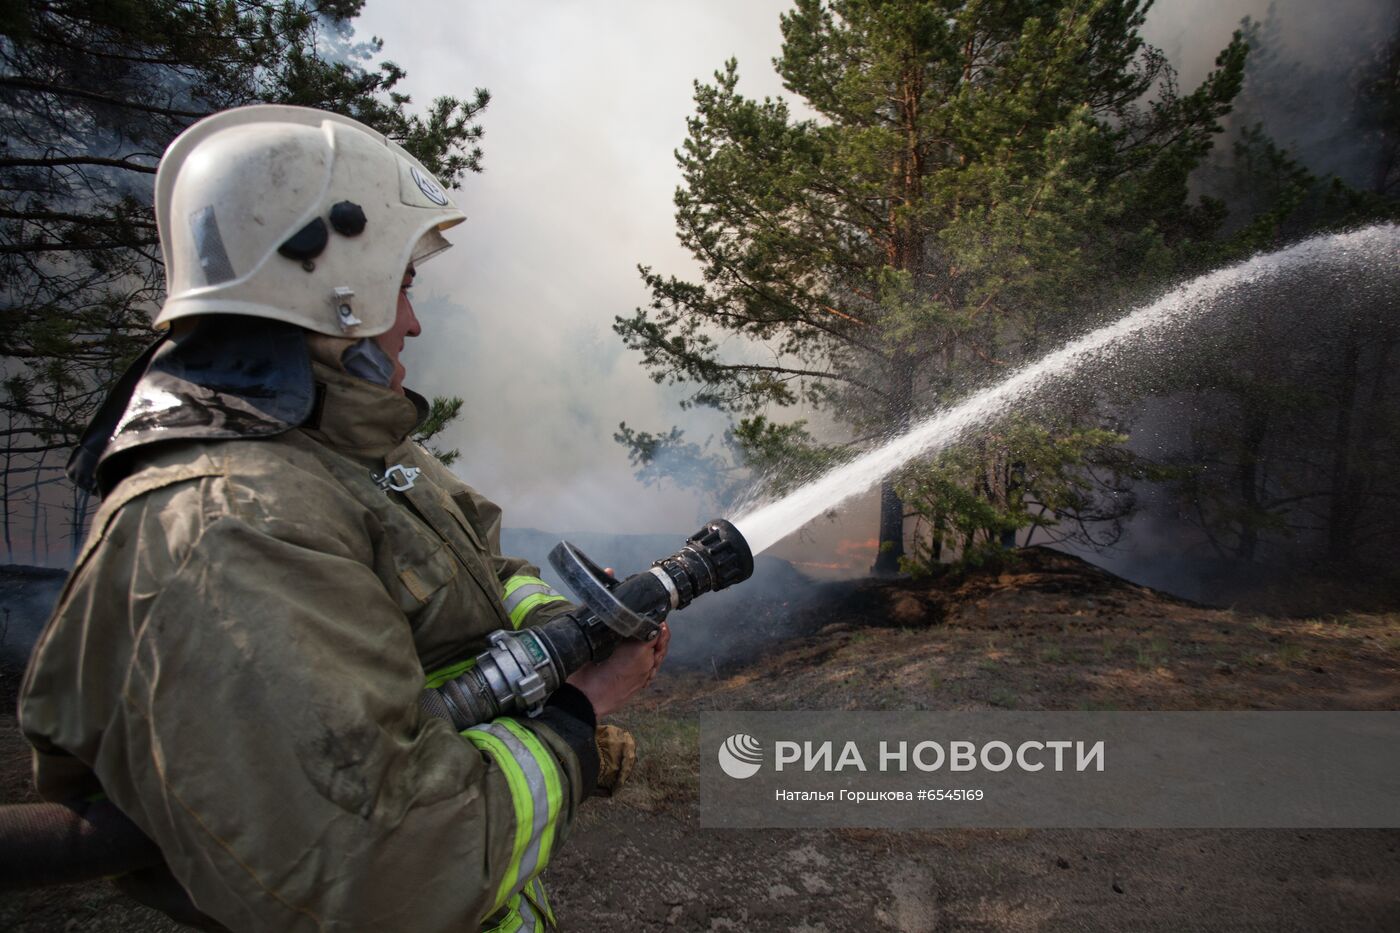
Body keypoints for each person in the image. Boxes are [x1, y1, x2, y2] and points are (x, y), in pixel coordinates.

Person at [18, 105, 665, 932]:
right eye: (403, 284)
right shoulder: (229, 526)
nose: (414, 321)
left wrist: (566, 625)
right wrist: (574, 718)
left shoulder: (345, 449)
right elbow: (390, 869)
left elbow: (482, 568)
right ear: (335, 291)